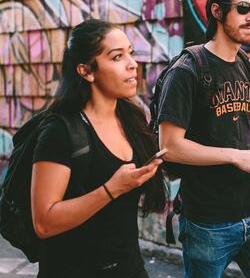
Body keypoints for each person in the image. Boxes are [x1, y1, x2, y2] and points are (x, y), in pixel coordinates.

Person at [157, 0, 250, 277]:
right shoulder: (187, 71)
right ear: (217, 12)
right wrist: (235, 155)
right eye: (243, 8)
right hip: (209, 222)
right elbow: (169, 147)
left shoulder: (245, 63)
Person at [31, 19, 167, 278]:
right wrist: (111, 189)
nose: (132, 64)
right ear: (86, 71)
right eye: (117, 57)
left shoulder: (132, 117)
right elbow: (44, 222)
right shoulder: (60, 131)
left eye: (131, 53)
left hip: (129, 268)